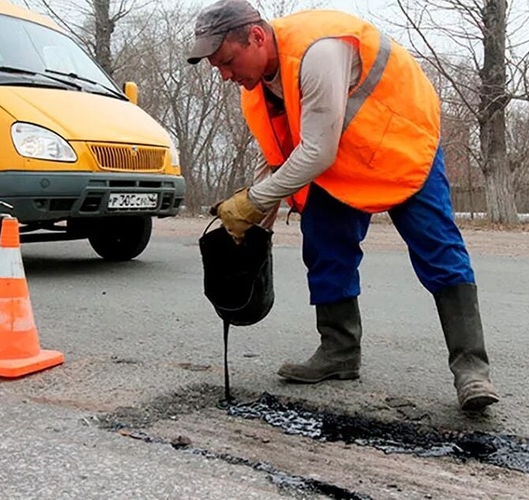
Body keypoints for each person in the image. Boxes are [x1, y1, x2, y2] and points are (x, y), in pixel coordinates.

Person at [187, 0, 500, 411]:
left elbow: (315, 152)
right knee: (323, 244)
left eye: (228, 61)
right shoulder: (257, 89)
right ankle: (339, 352)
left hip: (399, 142)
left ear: (257, 37)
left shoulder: (319, 52)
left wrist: (253, 200)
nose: (226, 75)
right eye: (217, 68)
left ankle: (471, 370)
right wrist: (255, 216)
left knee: (437, 248)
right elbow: (283, 158)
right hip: (340, 156)